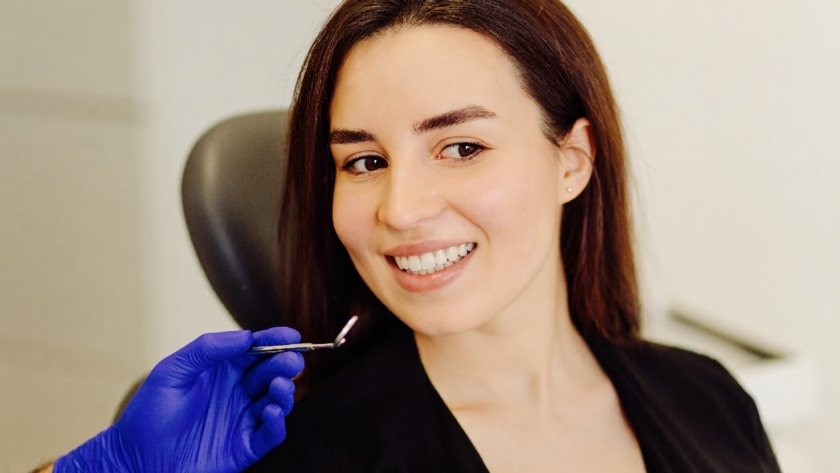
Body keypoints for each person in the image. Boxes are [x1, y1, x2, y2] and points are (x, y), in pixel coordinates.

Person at [34, 0, 781, 471]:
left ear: (572, 160)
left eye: (461, 147)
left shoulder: (710, 398)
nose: (401, 207)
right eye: (363, 160)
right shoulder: (310, 451)